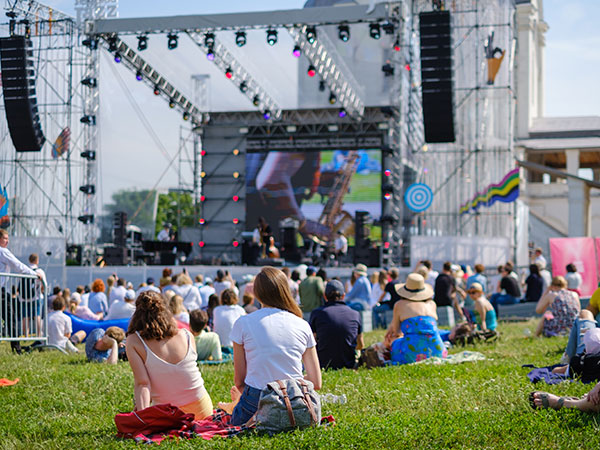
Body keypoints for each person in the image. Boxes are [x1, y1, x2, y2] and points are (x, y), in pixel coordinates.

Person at [224, 267, 321, 426]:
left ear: (256, 293)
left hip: (256, 398)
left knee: (237, 414)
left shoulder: (243, 323)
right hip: (296, 401)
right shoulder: (302, 325)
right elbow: (316, 382)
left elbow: (239, 381)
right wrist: (288, 384)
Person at [126, 291, 213, 419]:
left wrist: (143, 416)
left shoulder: (134, 341)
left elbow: (142, 384)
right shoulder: (186, 335)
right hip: (202, 410)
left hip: (168, 415)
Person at [385, 273, 447, 365]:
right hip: (438, 351)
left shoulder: (400, 304)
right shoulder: (432, 304)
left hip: (412, 353)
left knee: (395, 342)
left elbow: (397, 332)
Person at [0, 230, 41, 352]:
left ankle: (16, 346)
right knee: (10, 317)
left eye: (8, 238)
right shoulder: (3, 251)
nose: (7, 241)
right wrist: (34, 274)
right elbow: (18, 265)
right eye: (5, 238)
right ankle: (16, 348)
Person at [309, 280, 363, 370]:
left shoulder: (317, 313)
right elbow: (360, 345)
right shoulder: (355, 314)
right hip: (348, 364)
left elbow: (312, 342)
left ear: (324, 296)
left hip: (323, 364)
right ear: (343, 296)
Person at [20, 253, 46, 337]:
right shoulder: (39, 271)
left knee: (25, 317)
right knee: (37, 316)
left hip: (24, 298)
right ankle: (39, 335)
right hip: (36, 297)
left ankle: (26, 335)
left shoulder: (24, 270)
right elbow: (44, 284)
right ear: (37, 260)